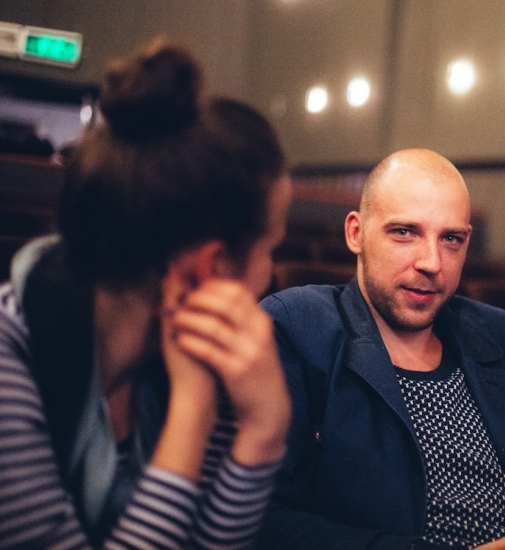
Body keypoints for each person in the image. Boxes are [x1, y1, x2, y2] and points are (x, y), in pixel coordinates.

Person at [0, 39, 292, 548]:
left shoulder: (204, 353)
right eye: (271, 249)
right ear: (211, 267)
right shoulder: (9, 354)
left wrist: (262, 431)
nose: (271, 274)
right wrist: (192, 411)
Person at [259, 148, 505, 550]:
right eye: (404, 232)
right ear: (355, 233)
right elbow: (264, 521)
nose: (432, 262)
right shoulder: (298, 328)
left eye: (451, 239)